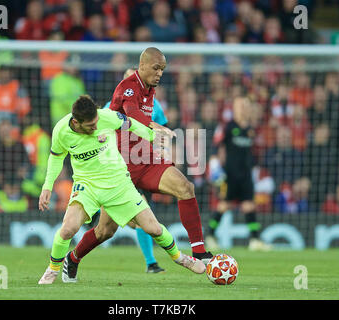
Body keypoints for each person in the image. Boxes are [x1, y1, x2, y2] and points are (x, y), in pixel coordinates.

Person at [66, 48, 212, 284]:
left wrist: (159, 139)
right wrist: (157, 129)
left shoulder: (150, 90)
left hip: (144, 160)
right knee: (105, 231)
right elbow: (134, 121)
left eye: (162, 69)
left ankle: (199, 250)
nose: (159, 74)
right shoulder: (129, 87)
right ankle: (72, 258)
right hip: (118, 166)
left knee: (185, 187)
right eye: (156, 68)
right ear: (141, 65)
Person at [38, 95, 205, 284]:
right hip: (87, 185)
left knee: (154, 228)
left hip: (119, 184)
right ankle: (52, 270)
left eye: (96, 122)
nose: (95, 126)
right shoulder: (61, 130)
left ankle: (181, 259)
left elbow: (131, 123)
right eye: (90, 125)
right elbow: (56, 157)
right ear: (76, 122)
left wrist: (152, 136)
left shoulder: (106, 116)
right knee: (68, 229)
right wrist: (47, 187)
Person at [102, 68, 167, 273]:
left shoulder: (154, 105)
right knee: (137, 216)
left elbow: (162, 129)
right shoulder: (110, 106)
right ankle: (152, 263)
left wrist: (162, 152)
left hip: (143, 164)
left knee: (134, 217)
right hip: (118, 165)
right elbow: (98, 129)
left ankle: (151, 263)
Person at [206, 96, 272, 251]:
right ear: (234, 108)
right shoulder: (228, 127)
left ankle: (255, 240)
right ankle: (209, 235)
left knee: (249, 205)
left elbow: (253, 152)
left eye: (246, 106)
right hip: (230, 174)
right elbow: (216, 146)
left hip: (246, 175)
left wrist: (255, 170)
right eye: (240, 105)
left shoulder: (251, 129)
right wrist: (214, 165)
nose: (243, 108)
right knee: (224, 205)